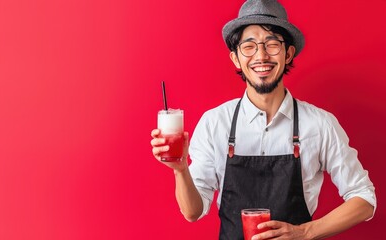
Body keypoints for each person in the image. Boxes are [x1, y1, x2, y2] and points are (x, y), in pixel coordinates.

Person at [150, 0, 376, 239]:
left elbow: (365, 199)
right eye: (249, 46)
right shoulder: (215, 123)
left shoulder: (320, 124)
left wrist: (305, 231)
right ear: (236, 59)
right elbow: (192, 212)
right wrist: (180, 169)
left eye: (272, 44)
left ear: (288, 54)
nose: (261, 55)